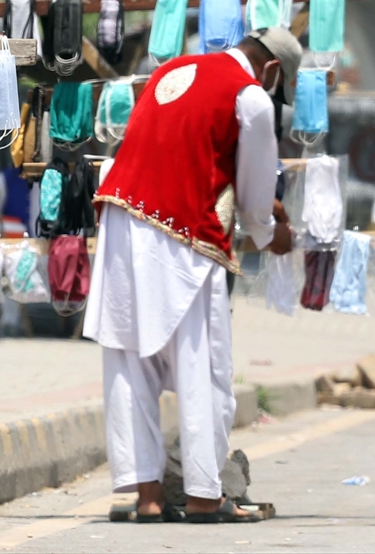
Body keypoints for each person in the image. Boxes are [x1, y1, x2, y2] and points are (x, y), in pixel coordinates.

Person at [83, 28, 298, 523]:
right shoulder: (251, 98)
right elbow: (256, 191)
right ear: (271, 71)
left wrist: (256, 205)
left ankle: (149, 498)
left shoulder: (171, 69)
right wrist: (269, 234)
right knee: (201, 361)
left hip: (120, 218)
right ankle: (204, 494)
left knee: (130, 360)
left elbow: (184, 151)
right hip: (181, 229)